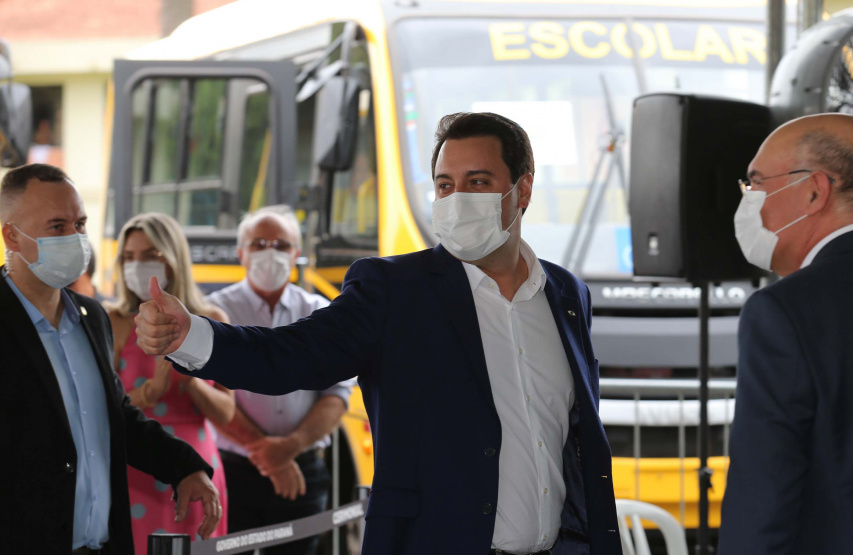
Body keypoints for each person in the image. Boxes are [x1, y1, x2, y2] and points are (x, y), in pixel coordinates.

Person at [135, 112, 622, 555]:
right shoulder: (395, 290)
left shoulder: (566, 295)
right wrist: (191, 336)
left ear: (523, 190)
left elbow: (575, 440)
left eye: (478, 182)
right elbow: (291, 354)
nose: (457, 200)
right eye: (445, 186)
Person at [0, 163, 221, 554]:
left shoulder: (91, 316)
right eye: (57, 227)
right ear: (11, 236)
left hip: (101, 544)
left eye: (80, 224)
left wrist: (183, 466)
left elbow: (114, 417)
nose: (74, 238)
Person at [719, 113, 853, 553]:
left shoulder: (785, 313)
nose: (749, 202)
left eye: (755, 185)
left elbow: (763, 501)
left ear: (813, 190)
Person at [206, 205, 353, 555]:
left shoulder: (322, 313)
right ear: (241, 254)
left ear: (296, 254)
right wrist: (271, 457)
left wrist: (290, 447)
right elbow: (208, 395)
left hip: (303, 470)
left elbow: (337, 395)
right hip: (233, 472)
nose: (270, 252)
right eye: (259, 243)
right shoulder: (214, 312)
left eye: (281, 245)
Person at [106, 212, 234, 553]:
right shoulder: (113, 321)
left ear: (173, 257)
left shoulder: (211, 321)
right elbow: (103, 408)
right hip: (135, 467)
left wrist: (190, 379)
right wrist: (150, 392)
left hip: (197, 467)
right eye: (129, 257)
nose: (138, 265)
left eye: (150, 255)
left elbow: (226, 413)